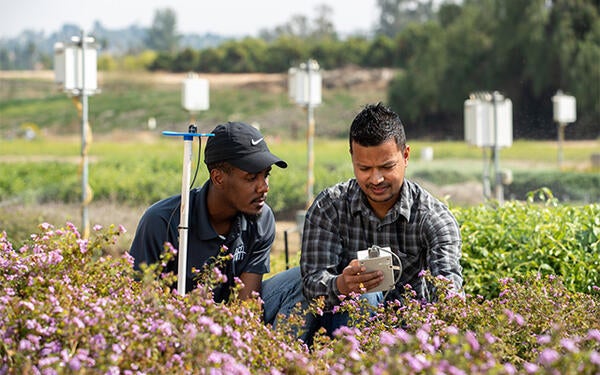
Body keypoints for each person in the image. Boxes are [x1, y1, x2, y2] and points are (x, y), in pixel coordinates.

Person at [300, 102, 463, 336]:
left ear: (406, 155)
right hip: (345, 325)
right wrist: (342, 285)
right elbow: (312, 282)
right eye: (364, 168)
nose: (376, 179)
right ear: (352, 158)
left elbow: (447, 288)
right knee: (364, 295)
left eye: (387, 167)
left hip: (412, 329)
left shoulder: (433, 217)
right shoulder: (330, 207)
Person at [129, 121, 302, 325]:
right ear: (218, 178)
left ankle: (285, 354)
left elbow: (247, 305)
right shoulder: (161, 221)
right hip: (170, 322)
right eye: (251, 178)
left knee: (302, 279)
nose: (264, 187)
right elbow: (138, 300)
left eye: (266, 175)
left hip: (228, 321)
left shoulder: (262, 218)